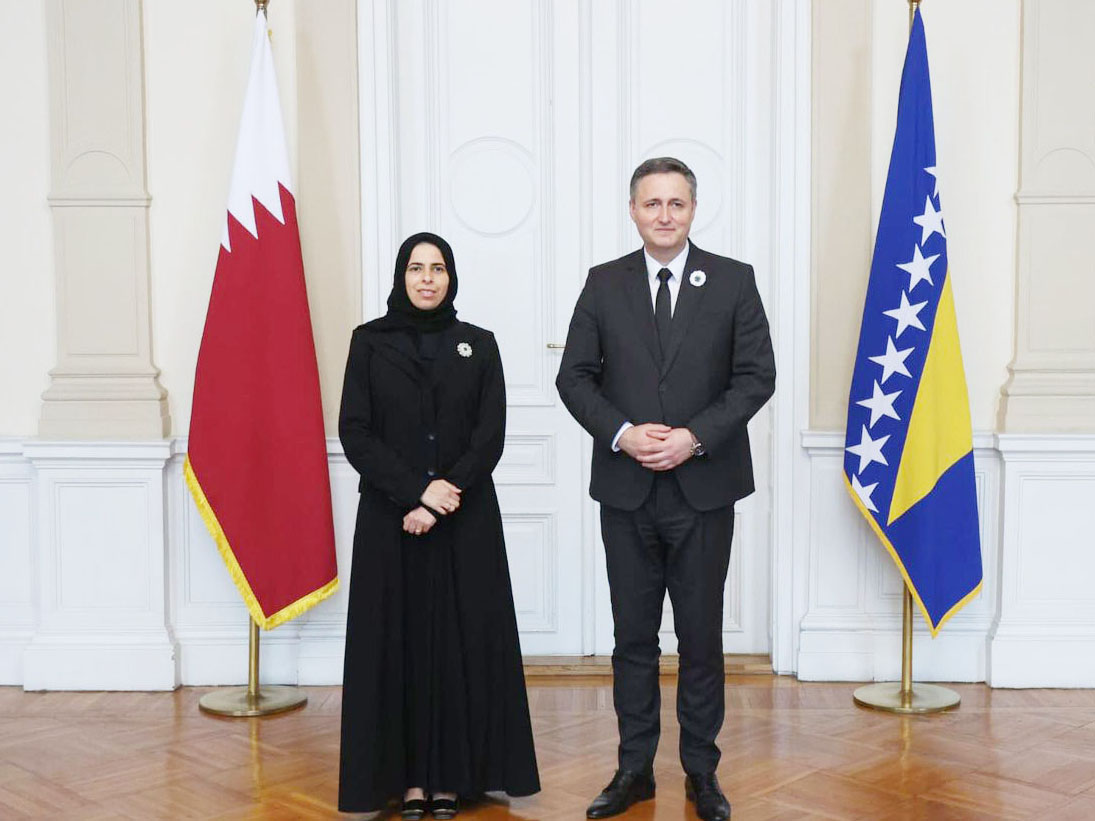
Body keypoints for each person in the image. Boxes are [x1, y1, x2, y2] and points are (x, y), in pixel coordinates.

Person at [556, 158, 776, 821]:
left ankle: (701, 773)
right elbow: (574, 377)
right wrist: (621, 432)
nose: (663, 214)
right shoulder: (603, 283)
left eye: (675, 203)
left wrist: (693, 436)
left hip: (703, 490)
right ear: (632, 209)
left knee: (701, 638)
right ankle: (633, 770)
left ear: (693, 207)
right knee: (632, 638)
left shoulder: (734, 281)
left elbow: (754, 376)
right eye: (651, 203)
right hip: (625, 491)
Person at [338, 232, 540, 819]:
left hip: (465, 517)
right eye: (417, 268)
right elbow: (356, 430)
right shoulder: (369, 343)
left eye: (439, 268)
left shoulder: (478, 345)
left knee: (460, 642)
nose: (428, 278)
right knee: (396, 643)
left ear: (452, 279)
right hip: (388, 518)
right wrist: (412, 491)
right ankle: (407, 782)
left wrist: (440, 498)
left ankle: (454, 778)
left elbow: (489, 435)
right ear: (401, 276)